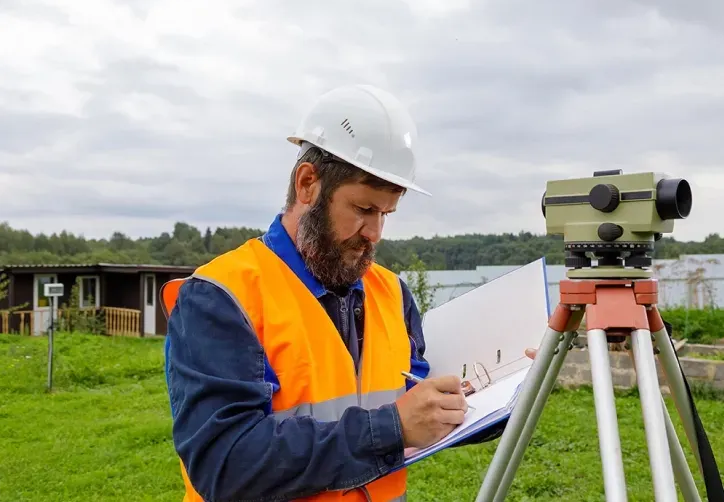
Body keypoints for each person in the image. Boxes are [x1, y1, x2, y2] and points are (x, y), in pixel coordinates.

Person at [161, 85, 529, 502]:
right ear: (307, 184)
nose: (374, 234)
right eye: (363, 209)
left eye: (385, 214)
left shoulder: (390, 292)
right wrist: (391, 428)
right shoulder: (221, 297)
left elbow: (417, 411)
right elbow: (224, 462)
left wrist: (501, 396)